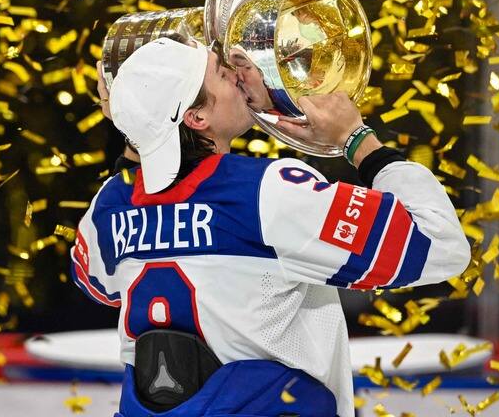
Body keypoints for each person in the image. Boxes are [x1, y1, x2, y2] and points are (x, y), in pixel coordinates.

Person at [78, 38, 471, 416]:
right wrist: (358, 140)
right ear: (197, 117)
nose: (236, 73)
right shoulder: (267, 192)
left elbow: (96, 281)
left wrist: (142, 128)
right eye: (220, 72)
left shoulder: (110, 205)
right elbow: (439, 244)